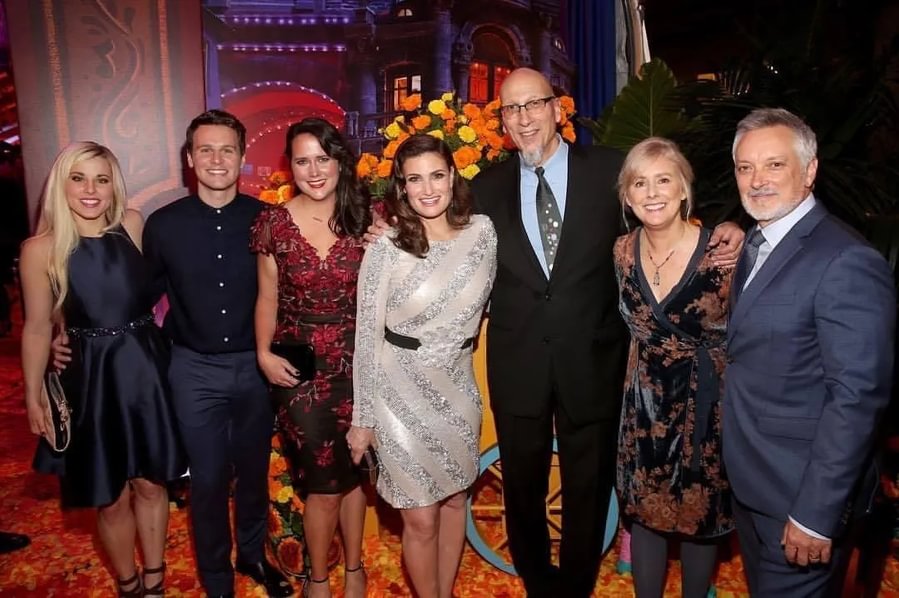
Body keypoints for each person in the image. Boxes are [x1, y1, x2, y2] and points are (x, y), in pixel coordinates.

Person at [366, 67, 744, 597]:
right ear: (502, 121)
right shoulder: (484, 188)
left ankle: (575, 588)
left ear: (556, 108)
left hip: (591, 361)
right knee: (521, 487)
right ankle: (539, 586)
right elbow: (435, 227)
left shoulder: (610, 172)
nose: (523, 119)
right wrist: (387, 226)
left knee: (588, 489)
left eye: (533, 104)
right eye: (511, 109)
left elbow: (665, 216)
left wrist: (726, 225)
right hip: (518, 362)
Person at [54, 111, 293, 597]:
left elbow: (293, 288)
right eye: (205, 150)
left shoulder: (268, 219)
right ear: (189, 159)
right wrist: (66, 330)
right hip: (191, 371)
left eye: (227, 149)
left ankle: (251, 558)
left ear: (243, 157)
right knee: (205, 482)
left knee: (252, 475)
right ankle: (217, 580)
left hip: (254, 369)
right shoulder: (160, 226)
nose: (216, 159)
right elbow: (127, 294)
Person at [723, 107, 895, 597]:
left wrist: (816, 516)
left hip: (801, 500)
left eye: (774, 165)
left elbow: (858, 397)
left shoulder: (847, 261)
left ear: (810, 170)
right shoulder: (758, 241)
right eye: (745, 168)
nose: (757, 181)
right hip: (754, 485)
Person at [21, 141, 186, 596]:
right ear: (62, 185)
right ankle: (128, 583)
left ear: (114, 184)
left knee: (152, 484)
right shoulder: (41, 249)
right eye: (78, 178)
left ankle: (154, 578)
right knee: (110, 495)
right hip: (90, 377)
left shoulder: (131, 225)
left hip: (145, 368)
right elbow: (36, 327)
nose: (90, 190)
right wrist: (33, 395)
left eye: (101, 178)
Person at [348, 133, 497, 598]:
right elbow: (366, 337)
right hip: (398, 391)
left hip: (457, 386)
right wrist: (363, 419)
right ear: (402, 187)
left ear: (453, 176)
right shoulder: (386, 247)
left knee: (455, 500)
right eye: (415, 179)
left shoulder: (483, 233)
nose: (428, 189)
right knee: (420, 514)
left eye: (436, 175)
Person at [251, 118, 371, 598]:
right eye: (302, 160)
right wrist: (262, 354)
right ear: (290, 166)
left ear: (340, 161)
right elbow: (267, 299)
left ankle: (356, 570)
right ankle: (318, 579)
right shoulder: (273, 223)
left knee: (355, 474)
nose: (314, 170)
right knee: (322, 483)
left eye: (323, 158)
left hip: (361, 365)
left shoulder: (370, 218)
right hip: (299, 370)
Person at [613, 137, 733, 597]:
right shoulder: (622, 252)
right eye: (639, 183)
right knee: (645, 516)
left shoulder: (723, 253)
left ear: (684, 188)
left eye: (664, 179)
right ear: (627, 196)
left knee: (699, 518)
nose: (652, 192)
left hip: (707, 408)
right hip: (642, 407)